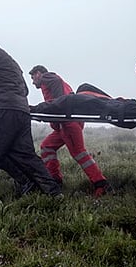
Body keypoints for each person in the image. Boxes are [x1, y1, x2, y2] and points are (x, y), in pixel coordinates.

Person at [0, 41, 63, 205]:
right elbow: (26, 90)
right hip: (21, 112)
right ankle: (54, 192)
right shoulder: (11, 63)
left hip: (3, 110)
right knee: (26, 156)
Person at [28, 65, 110, 197]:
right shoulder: (55, 82)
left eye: (33, 77)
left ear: (39, 73)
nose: (33, 82)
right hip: (64, 124)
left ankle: (101, 183)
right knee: (47, 147)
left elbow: (59, 103)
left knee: (79, 153)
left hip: (68, 124)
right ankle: (55, 179)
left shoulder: (48, 78)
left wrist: (36, 109)